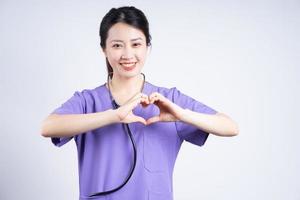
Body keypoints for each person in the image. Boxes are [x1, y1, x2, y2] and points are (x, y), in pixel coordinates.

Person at [41, 6, 239, 200]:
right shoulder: (86, 101)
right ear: (104, 49)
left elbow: (230, 126)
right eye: (117, 45)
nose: (128, 55)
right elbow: (48, 127)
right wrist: (114, 116)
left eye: (136, 44)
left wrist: (181, 115)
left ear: (147, 47)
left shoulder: (167, 100)